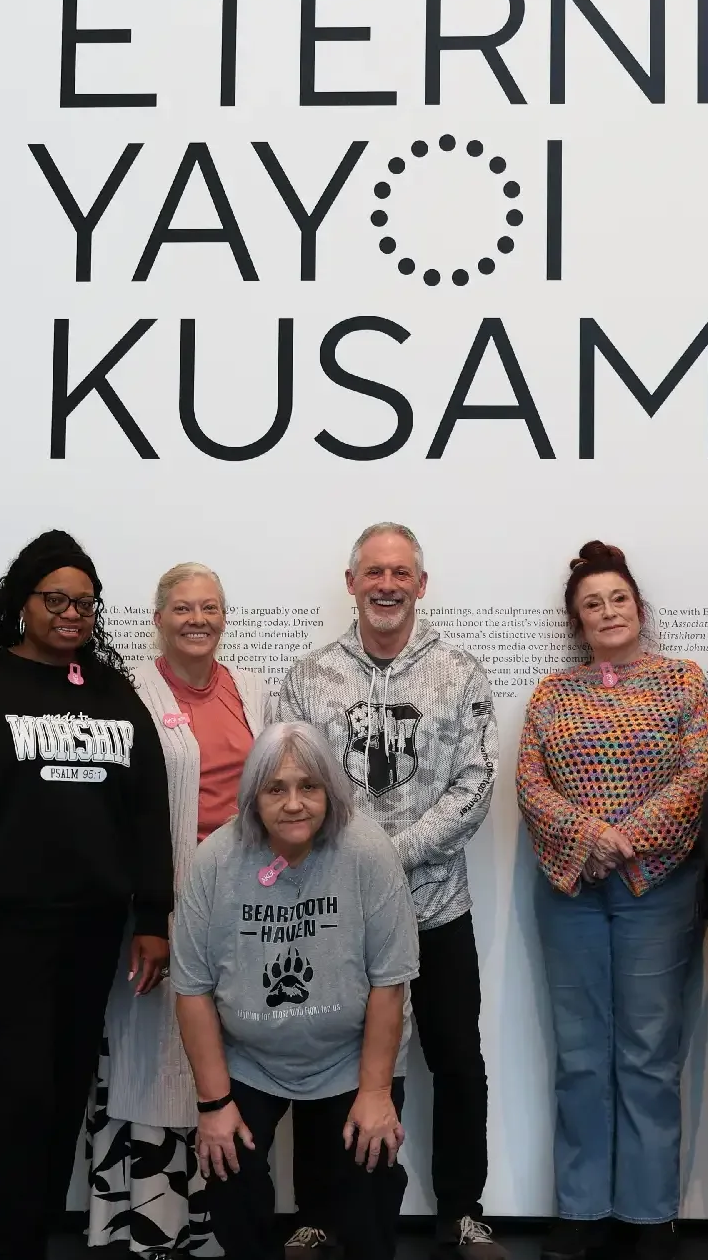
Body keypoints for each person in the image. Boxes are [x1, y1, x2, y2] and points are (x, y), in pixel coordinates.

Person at [0, 530, 174, 1260]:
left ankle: (21, 1240)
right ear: (22, 602)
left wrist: (152, 914)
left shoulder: (113, 693)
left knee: (60, 1097)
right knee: (16, 1098)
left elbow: (147, 808)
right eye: (56, 599)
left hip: (92, 932)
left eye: (84, 602)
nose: (71, 614)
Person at [273, 522, 505, 1260]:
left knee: (456, 1059)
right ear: (351, 583)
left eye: (401, 572)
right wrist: (351, 869)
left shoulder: (462, 673)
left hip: (436, 908)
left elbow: (475, 783)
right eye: (373, 571)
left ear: (421, 584)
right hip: (334, 913)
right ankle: (321, 1210)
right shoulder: (308, 677)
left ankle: (461, 1210)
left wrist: (388, 857)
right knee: (326, 1059)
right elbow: (287, 784)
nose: (387, 584)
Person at [517, 542, 708, 1260]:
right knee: (580, 1053)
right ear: (577, 621)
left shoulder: (683, 681)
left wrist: (626, 839)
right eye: (592, 604)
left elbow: (699, 772)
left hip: (657, 889)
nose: (608, 612)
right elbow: (531, 782)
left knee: (649, 1053)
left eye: (618, 599)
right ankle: (581, 1208)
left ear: (640, 607)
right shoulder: (551, 693)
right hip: (571, 889)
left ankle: (648, 1211)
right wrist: (588, 837)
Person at [173, 722, 419, 1260]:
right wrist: (214, 1104)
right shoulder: (215, 860)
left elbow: (389, 981)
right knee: (227, 1169)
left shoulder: (368, 851)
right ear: (252, 797)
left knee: (371, 1179)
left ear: (330, 789)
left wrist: (376, 1093)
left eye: (309, 786)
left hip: (349, 1057)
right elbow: (192, 988)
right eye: (275, 788)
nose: (293, 804)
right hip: (249, 1059)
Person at [87, 564, 274, 1255]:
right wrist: (146, 904)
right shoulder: (127, 690)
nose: (198, 619)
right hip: (159, 897)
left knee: (227, 1051)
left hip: (244, 897)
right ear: (158, 617)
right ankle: (153, 1223)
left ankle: (219, 1225)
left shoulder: (252, 688)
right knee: (155, 1049)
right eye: (183, 608)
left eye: (210, 607)